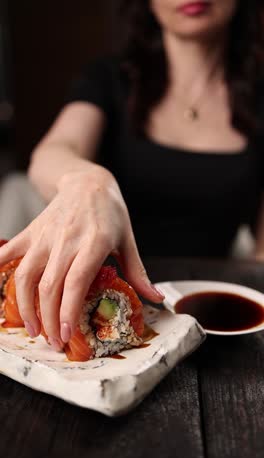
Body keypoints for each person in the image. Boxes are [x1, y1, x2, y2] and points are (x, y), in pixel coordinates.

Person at [0, 0, 263, 351]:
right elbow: (52, 152)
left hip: (212, 314)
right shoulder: (108, 78)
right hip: (101, 305)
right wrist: (88, 182)